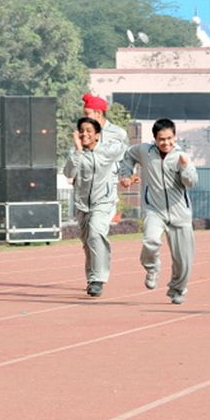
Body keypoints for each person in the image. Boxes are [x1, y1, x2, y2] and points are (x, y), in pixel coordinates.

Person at [119, 118, 198, 304]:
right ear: (154, 138)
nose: (166, 143)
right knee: (150, 240)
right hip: (154, 209)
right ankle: (152, 267)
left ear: (175, 136)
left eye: (170, 138)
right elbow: (128, 155)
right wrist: (126, 174)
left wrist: (185, 167)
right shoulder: (145, 151)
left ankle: (177, 290)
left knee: (183, 260)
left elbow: (192, 182)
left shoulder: (181, 156)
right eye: (161, 139)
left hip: (180, 214)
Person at [63, 117, 127, 297]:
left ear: (97, 135)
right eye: (81, 131)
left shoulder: (108, 151)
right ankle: (92, 279)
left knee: (95, 233)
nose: (85, 134)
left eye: (89, 131)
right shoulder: (76, 154)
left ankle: (98, 279)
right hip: (82, 205)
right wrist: (77, 150)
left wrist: (129, 174)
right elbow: (68, 173)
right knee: (87, 242)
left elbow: (128, 152)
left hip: (103, 202)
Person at [80, 93, 129, 222]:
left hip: (107, 190)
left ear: (98, 113)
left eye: (87, 113)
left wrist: (126, 176)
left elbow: (127, 158)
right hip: (85, 189)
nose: (84, 117)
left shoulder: (118, 133)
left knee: (97, 230)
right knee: (88, 237)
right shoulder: (84, 132)